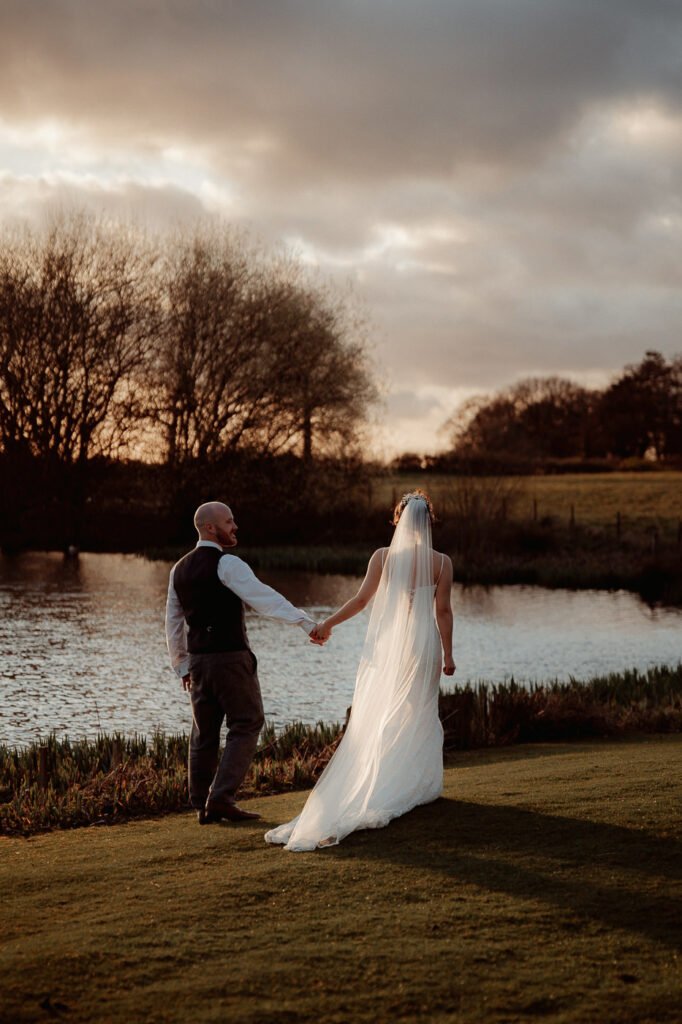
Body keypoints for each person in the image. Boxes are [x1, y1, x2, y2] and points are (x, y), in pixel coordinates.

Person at [265, 489, 455, 852]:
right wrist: (448, 655)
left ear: (397, 519)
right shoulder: (442, 563)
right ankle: (414, 784)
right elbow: (443, 613)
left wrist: (328, 623)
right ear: (429, 521)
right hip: (424, 644)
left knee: (384, 712)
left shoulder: (384, 557)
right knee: (419, 710)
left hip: (391, 646)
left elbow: (361, 600)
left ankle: (390, 779)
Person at [165, 501, 324, 824]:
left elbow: (173, 622)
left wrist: (182, 666)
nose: (235, 526)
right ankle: (221, 799)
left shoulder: (178, 569)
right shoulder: (228, 564)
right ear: (211, 528)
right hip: (230, 660)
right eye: (229, 521)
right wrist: (306, 623)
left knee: (204, 733)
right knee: (247, 722)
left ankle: (202, 805)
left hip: (197, 664)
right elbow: (265, 599)